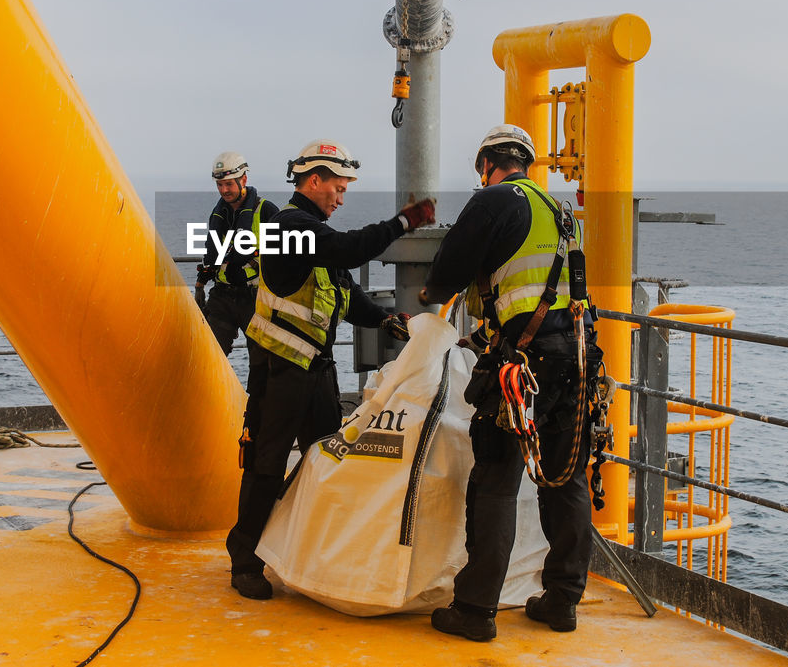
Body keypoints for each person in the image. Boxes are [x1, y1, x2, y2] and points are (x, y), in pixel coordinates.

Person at [226, 138, 436, 600]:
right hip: (280, 372)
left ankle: (303, 550)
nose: (341, 198)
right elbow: (349, 251)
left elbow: (343, 292)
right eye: (337, 188)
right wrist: (404, 221)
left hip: (315, 372)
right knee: (266, 464)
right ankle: (244, 560)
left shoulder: (312, 233)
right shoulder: (289, 227)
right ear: (313, 181)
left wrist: (383, 318)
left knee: (326, 464)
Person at [417, 124, 603, 641]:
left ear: (486, 165)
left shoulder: (495, 200)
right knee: (566, 480)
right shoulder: (561, 212)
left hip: (519, 367)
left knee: (496, 482)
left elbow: (441, 279)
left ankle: (476, 611)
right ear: (527, 161)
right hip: (577, 361)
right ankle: (563, 601)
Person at [195, 152, 279, 363]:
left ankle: (258, 397)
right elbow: (213, 251)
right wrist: (202, 280)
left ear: (244, 179)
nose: (224, 190)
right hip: (222, 296)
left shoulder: (265, 211)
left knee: (263, 363)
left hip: (255, 299)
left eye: (229, 184)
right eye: (220, 185)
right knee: (207, 356)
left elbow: (283, 253)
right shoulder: (219, 215)